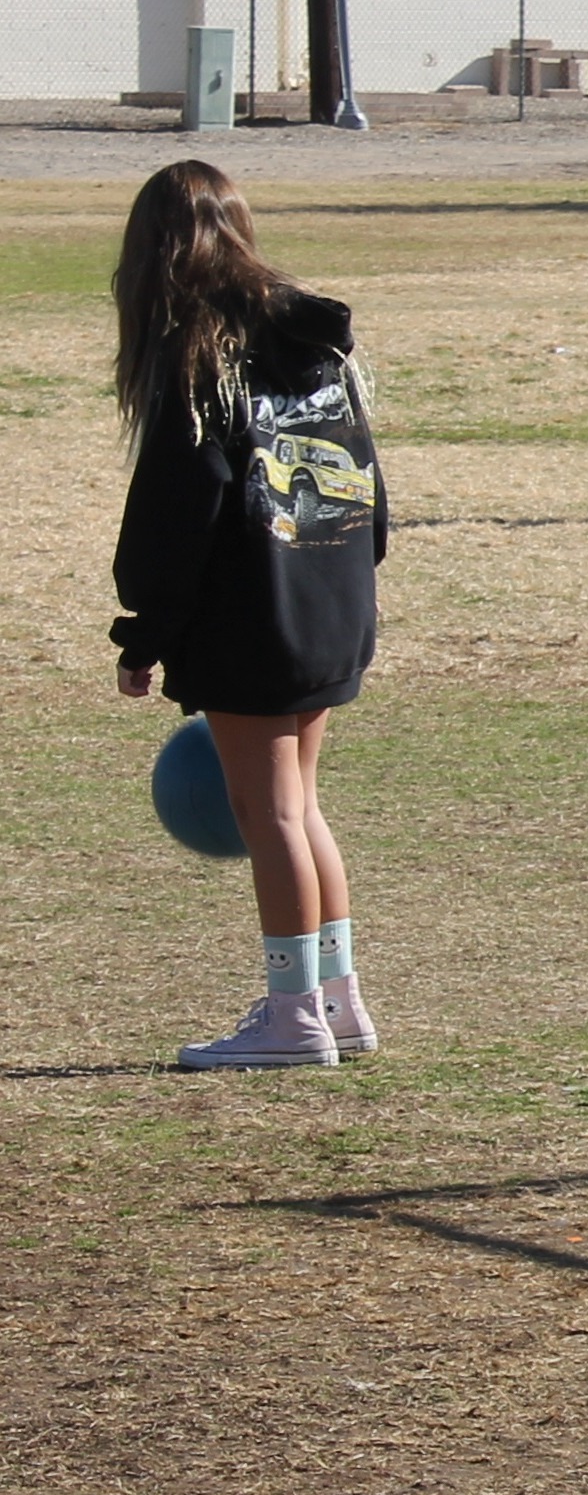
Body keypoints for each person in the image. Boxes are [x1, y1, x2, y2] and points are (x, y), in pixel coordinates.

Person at [108, 159, 390, 1070]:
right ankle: (338, 1000)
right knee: (301, 808)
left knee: (267, 813)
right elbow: (367, 493)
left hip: (253, 618)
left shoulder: (198, 360)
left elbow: (175, 516)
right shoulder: (313, 343)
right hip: (327, 603)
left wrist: (142, 633)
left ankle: (292, 1016)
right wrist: (344, 584)